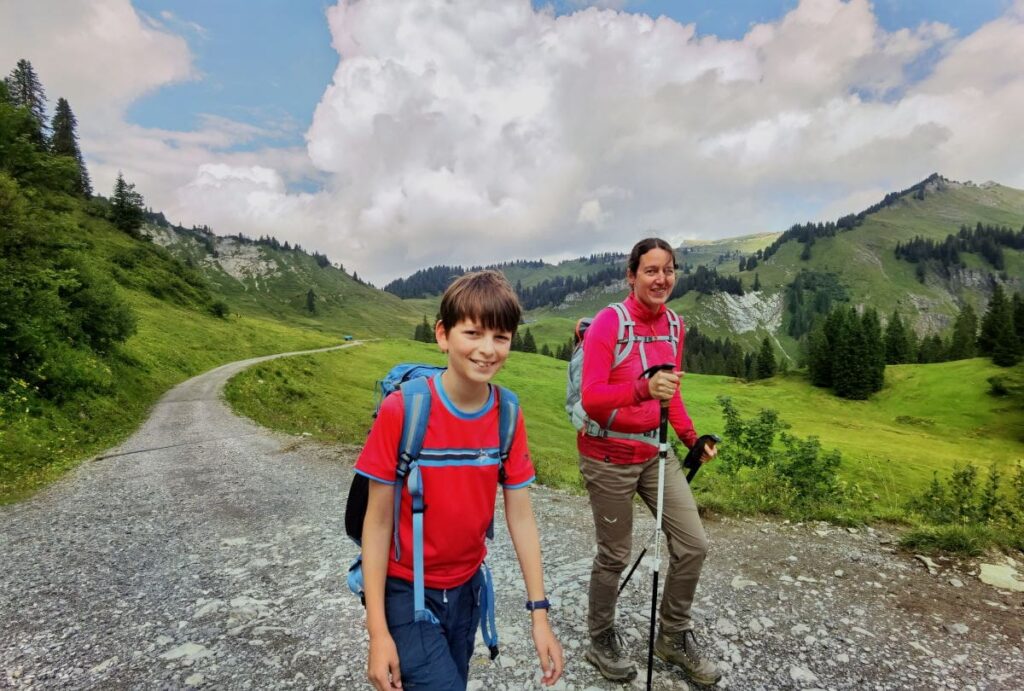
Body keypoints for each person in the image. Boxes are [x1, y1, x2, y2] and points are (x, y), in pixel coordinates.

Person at [356, 270, 564, 690]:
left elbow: (521, 517)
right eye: (473, 333)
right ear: (443, 334)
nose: (488, 350)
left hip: (467, 590)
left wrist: (539, 615)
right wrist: (378, 634)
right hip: (407, 591)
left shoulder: (507, 414)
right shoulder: (404, 411)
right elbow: (376, 525)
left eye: (501, 337)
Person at [578, 238, 720, 685]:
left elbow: (671, 394)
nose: (661, 279)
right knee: (615, 554)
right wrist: (643, 389)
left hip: (656, 453)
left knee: (693, 544)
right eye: (651, 270)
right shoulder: (608, 324)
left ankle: (672, 638)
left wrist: (692, 439)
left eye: (669, 270)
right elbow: (593, 398)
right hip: (607, 454)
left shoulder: (675, 327)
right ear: (632, 276)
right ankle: (600, 638)